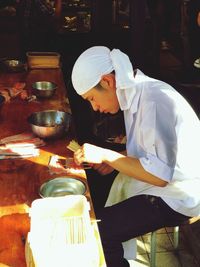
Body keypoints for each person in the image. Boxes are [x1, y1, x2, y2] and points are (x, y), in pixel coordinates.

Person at [71, 46, 200, 267]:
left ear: (108, 81)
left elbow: (160, 176)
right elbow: (152, 149)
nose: (95, 107)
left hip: (181, 193)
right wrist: (116, 159)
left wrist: (107, 155)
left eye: (92, 98)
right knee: (98, 198)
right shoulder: (137, 93)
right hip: (168, 180)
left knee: (101, 232)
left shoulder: (155, 100)